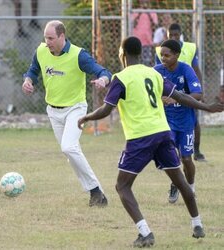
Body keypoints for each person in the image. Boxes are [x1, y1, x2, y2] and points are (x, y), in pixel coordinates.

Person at [78, 36, 223, 247]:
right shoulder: (153, 73)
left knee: (122, 186)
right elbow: (181, 97)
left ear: (122, 53)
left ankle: (145, 233)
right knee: (181, 181)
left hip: (140, 137)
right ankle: (197, 224)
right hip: (163, 133)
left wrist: (87, 117)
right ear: (140, 53)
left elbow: (107, 109)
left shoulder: (121, 77)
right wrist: (207, 107)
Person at [22, 20, 111, 207]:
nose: (47, 42)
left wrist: (103, 79)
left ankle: (95, 189)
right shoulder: (41, 51)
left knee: (69, 147)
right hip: (53, 111)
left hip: (75, 109)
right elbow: (33, 70)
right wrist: (28, 80)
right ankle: (96, 195)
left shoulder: (79, 55)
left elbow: (102, 71)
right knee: (70, 153)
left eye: (51, 38)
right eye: (45, 37)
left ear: (62, 36)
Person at [154, 39, 203, 204]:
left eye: (167, 55)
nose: (163, 58)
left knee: (187, 159)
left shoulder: (186, 70)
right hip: (166, 123)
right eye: (161, 55)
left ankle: (191, 187)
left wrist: (175, 100)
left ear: (176, 55)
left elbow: (198, 94)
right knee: (171, 158)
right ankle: (175, 184)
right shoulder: (157, 71)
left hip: (186, 123)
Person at [155, 23, 206, 162]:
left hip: (186, 99)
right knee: (170, 153)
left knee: (194, 125)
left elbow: (196, 70)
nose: (164, 58)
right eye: (171, 35)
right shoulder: (159, 64)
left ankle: (197, 151)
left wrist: (198, 89)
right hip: (167, 113)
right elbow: (154, 82)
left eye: (176, 35)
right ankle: (175, 180)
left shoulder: (189, 49)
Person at [131, 0, 158, 66]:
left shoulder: (152, 13)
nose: (144, 2)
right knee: (136, 62)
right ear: (140, 2)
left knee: (146, 62)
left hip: (147, 42)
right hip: (136, 41)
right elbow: (133, 24)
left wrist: (148, 13)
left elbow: (154, 26)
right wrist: (140, 13)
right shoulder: (135, 12)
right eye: (142, 1)